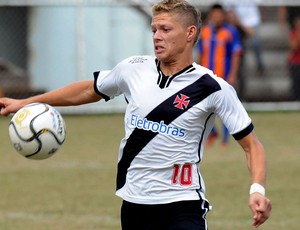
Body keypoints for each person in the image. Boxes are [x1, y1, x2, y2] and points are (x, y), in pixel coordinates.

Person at [0, 0, 272, 229]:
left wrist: (257, 190)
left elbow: (252, 145)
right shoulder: (134, 68)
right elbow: (87, 90)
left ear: (190, 33)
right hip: (134, 203)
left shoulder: (213, 87)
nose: (156, 36)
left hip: (182, 205)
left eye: (165, 29)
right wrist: (27, 102)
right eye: (154, 29)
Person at [198, 4, 242, 146]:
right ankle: (211, 133)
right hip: (206, 76)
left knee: (225, 107)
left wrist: (233, 74)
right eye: (214, 14)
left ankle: (225, 139)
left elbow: (236, 54)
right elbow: (201, 54)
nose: (216, 17)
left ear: (223, 15)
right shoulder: (204, 31)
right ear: (210, 15)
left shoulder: (230, 32)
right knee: (203, 106)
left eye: (219, 14)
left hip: (223, 76)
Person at [227, 2, 265, 75]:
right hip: (238, 24)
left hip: (253, 22)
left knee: (255, 42)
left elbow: (261, 4)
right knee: (239, 47)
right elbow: (230, 11)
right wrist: (243, 26)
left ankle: (259, 65)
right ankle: (240, 69)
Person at [288, 16, 300, 101]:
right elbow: (294, 47)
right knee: (296, 83)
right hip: (296, 62)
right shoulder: (293, 34)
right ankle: (296, 100)